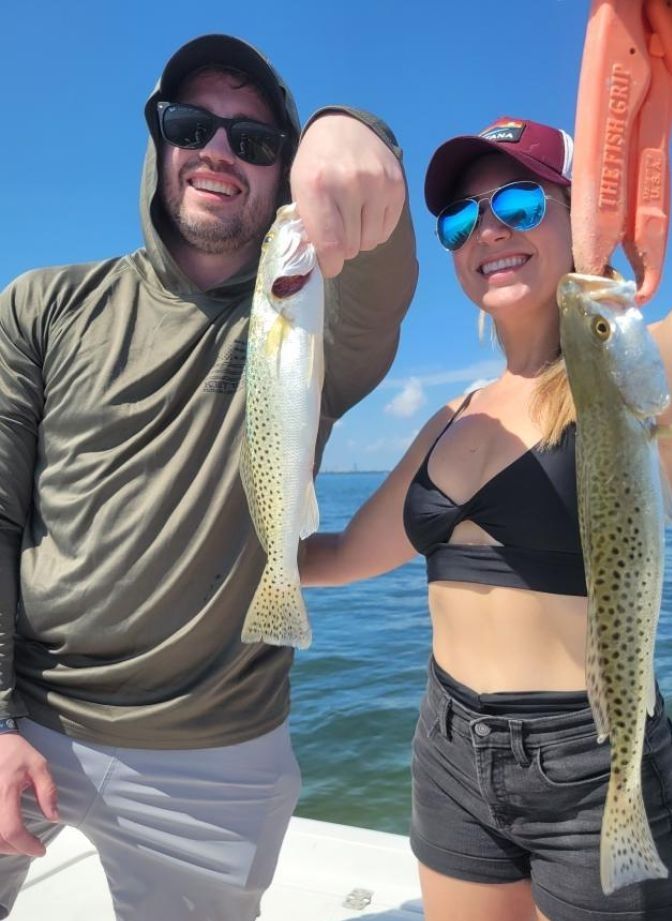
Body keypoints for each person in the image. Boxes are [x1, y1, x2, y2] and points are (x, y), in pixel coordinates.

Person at [299, 3, 672, 919]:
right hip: (449, 748)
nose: (488, 230)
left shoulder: (626, 378)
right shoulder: (450, 415)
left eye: (522, 204)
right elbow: (336, 557)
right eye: (461, 218)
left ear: (582, 218)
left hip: (595, 761)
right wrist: (220, 551)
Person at [0, 33, 417, 920]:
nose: (220, 151)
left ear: (287, 173)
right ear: (158, 143)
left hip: (216, 754)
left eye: (257, 141)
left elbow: (380, 283)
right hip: (21, 711)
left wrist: (356, 129)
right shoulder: (43, 305)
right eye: (192, 126)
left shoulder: (311, 313)